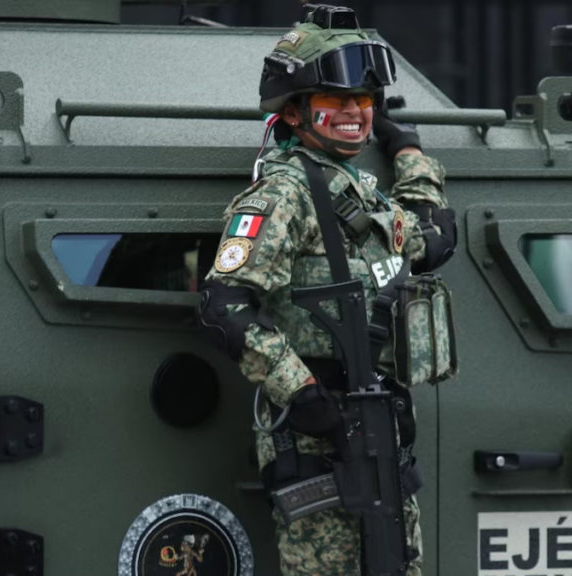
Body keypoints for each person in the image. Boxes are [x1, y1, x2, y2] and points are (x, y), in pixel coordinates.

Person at [196, 6, 457, 575]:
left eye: (363, 100)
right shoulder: (284, 192)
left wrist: (407, 150)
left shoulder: (360, 189)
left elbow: (433, 239)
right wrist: (302, 394)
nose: (354, 113)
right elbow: (225, 305)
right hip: (318, 438)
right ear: (293, 112)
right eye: (335, 101)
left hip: (379, 425)